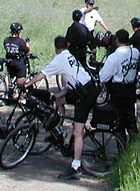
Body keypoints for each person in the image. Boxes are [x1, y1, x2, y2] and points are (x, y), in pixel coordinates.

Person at [21, 36, 98, 180]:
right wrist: (57, 96)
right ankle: (59, 130)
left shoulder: (60, 58)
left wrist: (26, 85)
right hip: (82, 89)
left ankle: (76, 166)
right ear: (67, 45)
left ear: (56, 48)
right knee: (58, 101)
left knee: (78, 131)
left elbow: (42, 74)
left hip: (85, 94)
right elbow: (70, 85)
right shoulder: (70, 55)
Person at [98, 29, 140, 141]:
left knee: (119, 119)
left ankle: (121, 146)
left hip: (118, 90)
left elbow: (103, 76)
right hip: (131, 88)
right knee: (131, 118)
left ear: (116, 40)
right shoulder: (135, 52)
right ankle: (135, 144)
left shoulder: (114, 57)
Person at [3, 22, 30, 87]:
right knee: (21, 86)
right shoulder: (20, 41)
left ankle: (11, 92)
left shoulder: (6, 40)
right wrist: (27, 43)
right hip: (18, 64)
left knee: (11, 83)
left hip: (9, 63)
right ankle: (21, 95)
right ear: (18, 31)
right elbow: (27, 50)